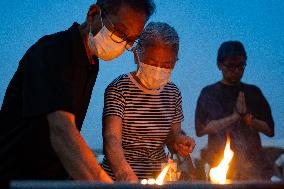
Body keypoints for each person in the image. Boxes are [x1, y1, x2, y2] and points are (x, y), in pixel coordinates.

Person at [0, 0, 155, 182]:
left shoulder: (90, 63)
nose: (123, 44)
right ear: (92, 14)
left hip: (50, 179)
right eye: (120, 32)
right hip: (16, 177)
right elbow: (62, 130)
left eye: (130, 40)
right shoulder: (52, 52)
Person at [101, 22, 196, 182]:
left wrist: (180, 142)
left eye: (167, 65)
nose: (158, 70)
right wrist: (126, 175)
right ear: (136, 55)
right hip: (120, 178)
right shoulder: (119, 88)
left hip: (157, 177)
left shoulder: (172, 93)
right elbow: (111, 138)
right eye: (151, 63)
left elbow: (173, 136)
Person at [195, 41, 274, 181]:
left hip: (253, 167)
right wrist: (234, 117)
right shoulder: (209, 93)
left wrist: (249, 120)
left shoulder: (253, 92)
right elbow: (201, 130)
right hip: (219, 166)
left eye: (241, 66)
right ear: (220, 65)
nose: (237, 70)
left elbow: (269, 130)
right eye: (231, 66)